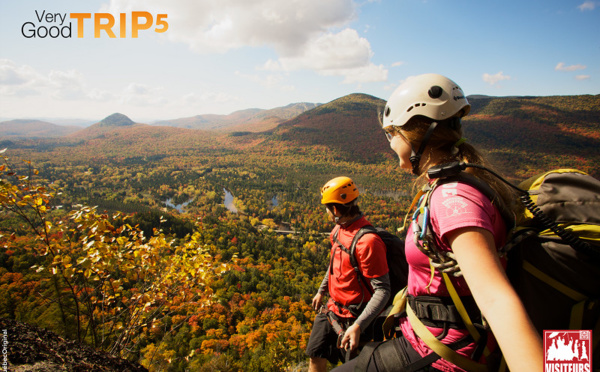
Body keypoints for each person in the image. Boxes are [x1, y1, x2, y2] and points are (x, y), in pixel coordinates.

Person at [331, 74, 543, 371]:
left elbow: (497, 301)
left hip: (445, 353)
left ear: (417, 133)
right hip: (429, 338)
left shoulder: (452, 200)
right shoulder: (463, 182)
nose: (391, 143)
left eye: (392, 134)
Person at [306, 176, 391, 372]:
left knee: (354, 367)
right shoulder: (338, 230)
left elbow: (383, 290)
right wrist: (322, 290)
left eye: (327, 208)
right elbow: (335, 264)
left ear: (335, 209)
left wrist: (359, 326)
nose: (326, 212)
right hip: (331, 311)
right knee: (315, 357)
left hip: (356, 317)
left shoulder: (368, 241)